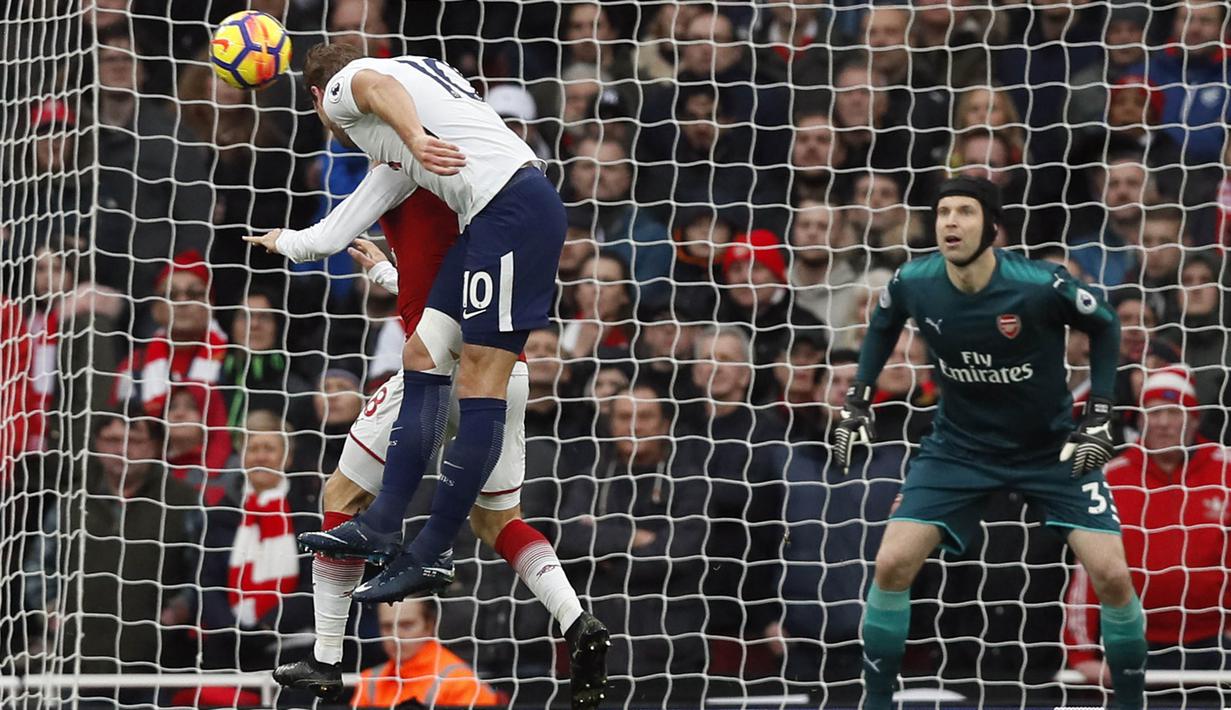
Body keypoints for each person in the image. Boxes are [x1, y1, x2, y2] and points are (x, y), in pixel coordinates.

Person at [248, 161, 606, 704]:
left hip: (437, 366)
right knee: (498, 522)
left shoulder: (404, 163)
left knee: (341, 495)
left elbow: (335, 232)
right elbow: (445, 277)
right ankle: (576, 618)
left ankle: (325, 656)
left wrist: (289, 240)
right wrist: (386, 273)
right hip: (506, 367)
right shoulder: (487, 198)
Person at [832, 176, 1146, 709]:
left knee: (1113, 574)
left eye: (965, 213)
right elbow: (882, 324)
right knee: (891, 565)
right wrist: (858, 398)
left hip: (1050, 451)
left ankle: (1132, 704)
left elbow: (1107, 324)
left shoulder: (1039, 283)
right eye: (943, 213)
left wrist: (1097, 416)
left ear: (993, 227)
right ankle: (876, 702)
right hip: (958, 448)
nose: (951, 223)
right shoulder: (914, 280)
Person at [1064, 367, 1231, 684]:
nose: (1164, 423)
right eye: (1154, 413)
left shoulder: (1227, 470)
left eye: (1174, 412)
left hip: (1219, 643)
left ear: (1194, 420)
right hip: (1133, 641)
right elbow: (1086, 572)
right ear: (1140, 421)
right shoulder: (1111, 479)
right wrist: (1083, 655)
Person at [353, 598, 502, 707]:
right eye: (387, 626)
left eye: (406, 625)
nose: (395, 636)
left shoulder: (461, 682)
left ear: (429, 625)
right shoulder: (369, 680)